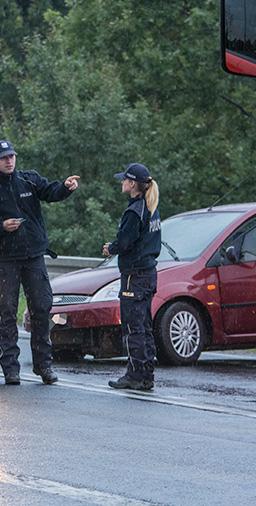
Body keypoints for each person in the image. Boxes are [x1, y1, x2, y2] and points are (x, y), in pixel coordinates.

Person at [0, 140, 80, 385]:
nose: (9, 161)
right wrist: (1, 227)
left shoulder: (29, 180)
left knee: (41, 309)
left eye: (11, 156)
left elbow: (51, 192)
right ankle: (10, 368)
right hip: (5, 260)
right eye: (3, 158)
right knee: (7, 313)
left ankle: (43, 365)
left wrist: (66, 187)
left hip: (34, 257)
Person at [102, 163, 161, 390]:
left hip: (133, 276)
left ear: (133, 183)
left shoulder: (134, 211)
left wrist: (112, 247)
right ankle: (146, 374)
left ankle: (134, 375)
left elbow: (126, 242)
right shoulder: (151, 207)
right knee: (144, 326)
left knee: (133, 326)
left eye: (124, 179)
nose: (122, 183)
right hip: (148, 273)